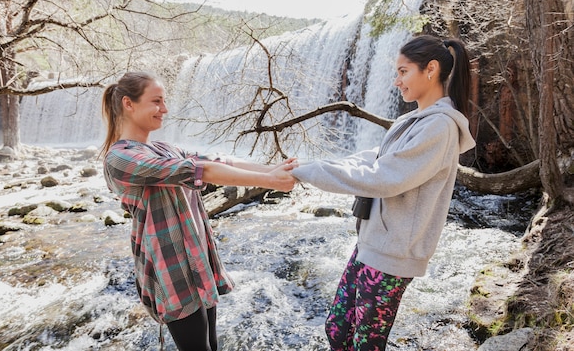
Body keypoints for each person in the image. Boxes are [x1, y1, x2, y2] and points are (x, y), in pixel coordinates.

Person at [290, 35, 476, 350]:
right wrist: (309, 166)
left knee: (365, 343)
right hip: (372, 243)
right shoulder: (412, 121)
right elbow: (373, 159)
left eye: (403, 71)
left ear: (430, 69)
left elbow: (384, 178)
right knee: (337, 329)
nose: (397, 81)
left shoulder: (440, 127)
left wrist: (310, 174)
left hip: (392, 255)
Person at [100, 72, 297, 351]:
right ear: (128, 104)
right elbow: (197, 170)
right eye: (156, 101)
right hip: (169, 268)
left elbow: (216, 160)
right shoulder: (121, 158)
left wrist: (274, 170)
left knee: (211, 345)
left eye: (164, 101)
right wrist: (269, 181)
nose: (165, 109)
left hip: (196, 258)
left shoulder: (162, 147)